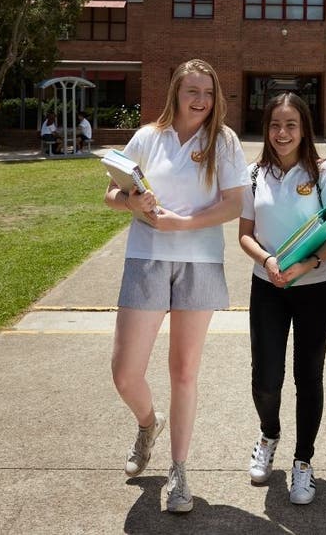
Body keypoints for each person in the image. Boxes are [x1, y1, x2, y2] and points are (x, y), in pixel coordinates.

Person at [104, 59, 248, 514]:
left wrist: (182, 223)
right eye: (192, 91)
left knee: (184, 370)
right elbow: (111, 192)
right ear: (176, 92)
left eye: (208, 92)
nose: (201, 100)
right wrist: (132, 200)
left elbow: (233, 205)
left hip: (199, 262)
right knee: (125, 372)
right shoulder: (148, 136)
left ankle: (179, 470)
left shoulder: (222, 142)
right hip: (146, 259)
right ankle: (149, 423)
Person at [239, 92, 326, 505]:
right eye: (275, 125)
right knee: (266, 378)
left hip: (315, 289)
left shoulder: (324, 171)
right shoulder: (254, 173)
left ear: (304, 127)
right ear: (266, 128)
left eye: (291, 125)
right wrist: (269, 260)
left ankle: (303, 463)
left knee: (309, 378)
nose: (282, 133)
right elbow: (244, 234)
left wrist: (309, 263)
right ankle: (269, 434)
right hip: (268, 287)